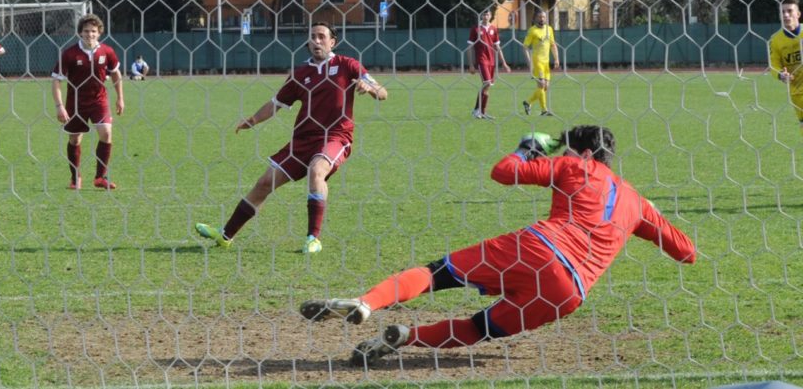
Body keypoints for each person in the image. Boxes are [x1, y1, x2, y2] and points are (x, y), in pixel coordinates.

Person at [299, 125, 697, 367]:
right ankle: (405, 336)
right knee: (480, 329)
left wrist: (529, 148)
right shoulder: (636, 202)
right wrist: (647, 214)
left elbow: (504, 172)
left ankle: (367, 303)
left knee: (439, 274)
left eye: (568, 149)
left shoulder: (577, 166)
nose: (564, 155)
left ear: (587, 154)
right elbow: (686, 251)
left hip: (538, 247)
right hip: (570, 292)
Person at [195, 22, 388, 254]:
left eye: (321, 37)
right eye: (313, 37)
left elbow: (383, 92)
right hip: (303, 140)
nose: (316, 41)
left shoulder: (347, 65)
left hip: (336, 136)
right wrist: (253, 120)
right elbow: (276, 103)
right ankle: (225, 235)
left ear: (332, 42)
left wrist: (372, 90)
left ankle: (312, 239)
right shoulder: (300, 74)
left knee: (317, 171)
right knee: (264, 183)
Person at [51, 13, 125, 190]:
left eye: (93, 31)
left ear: (99, 32)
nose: (89, 34)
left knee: (106, 133)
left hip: (99, 100)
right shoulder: (69, 54)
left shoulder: (107, 51)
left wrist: (120, 98)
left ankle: (100, 177)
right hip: (75, 103)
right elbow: (56, 80)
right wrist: (60, 106)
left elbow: (116, 73)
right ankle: (75, 178)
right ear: (80, 33)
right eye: (86, 31)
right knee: (75, 140)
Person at [468, 9, 510, 119]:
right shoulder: (476, 29)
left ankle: (481, 111)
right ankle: (477, 110)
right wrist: (471, 64)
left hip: (492, 61)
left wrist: (504, 63)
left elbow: (498, 47)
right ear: (481, 16)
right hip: (482, 60)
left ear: (490, 15)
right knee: (486, 83)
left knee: (487, 87)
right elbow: (469, 47)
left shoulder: (493, 29)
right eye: (484, 14)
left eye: (487, 14)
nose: (486, 16)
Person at [769, 0, 803, 133]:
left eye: (789, 11)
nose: (786, 15)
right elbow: (773, 65)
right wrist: (781, 75)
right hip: (798, 92)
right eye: (782, 12)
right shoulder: (776, 40)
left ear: (798, 14)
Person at [522, 9, 560, 116]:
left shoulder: (549, 29)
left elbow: (553, 45)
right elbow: (524, 46)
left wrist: (556, 59)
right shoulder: (532, 31)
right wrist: (529, 62)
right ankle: (544, 110)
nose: (542, 19)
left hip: (546, 62)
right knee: (542, 84)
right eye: (539, 17)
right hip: (537, 61)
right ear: (535, 18)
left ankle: (528, 102)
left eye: (543, 17)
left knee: (545, 87)